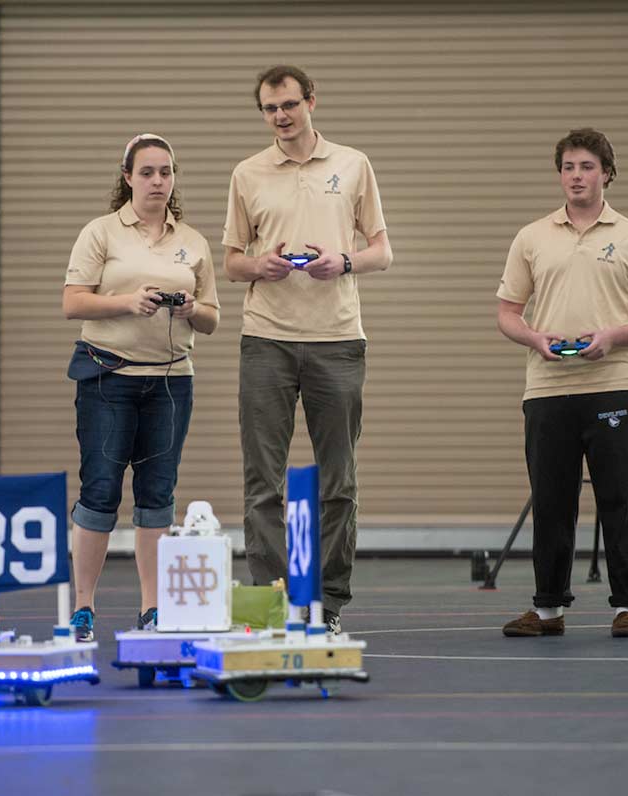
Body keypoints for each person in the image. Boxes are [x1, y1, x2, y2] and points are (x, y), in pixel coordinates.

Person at [222, 65, 393, 634]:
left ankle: (328, 605)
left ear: (312, 101)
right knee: (262, 481)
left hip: (338, 341)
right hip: (266, 338)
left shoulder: (353, 165)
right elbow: (231, 263)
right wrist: (259, 265)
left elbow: (382, 252)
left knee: (337, 481)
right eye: (270, 109)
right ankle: (274, 605)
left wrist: (342, 262)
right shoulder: (247, 174)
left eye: (290, 105)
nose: (281, 116)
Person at [495, 128, 628, 639]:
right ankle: (547, 610)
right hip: (547, 389)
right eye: (569, 167)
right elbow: (507, 314)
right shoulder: (531, 238)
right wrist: (534, 338)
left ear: (607, 173)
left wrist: (614, 336)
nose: (577, 176)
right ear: (560, 175)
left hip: (614, 383)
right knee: (552, 500)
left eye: (587, 167)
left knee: (620, 498)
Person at [62, 133, 220, 642]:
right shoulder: (101, 233)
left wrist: (192, 309)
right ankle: (83, 607)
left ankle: (154, 608)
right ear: (127, 176)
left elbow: (214, 318)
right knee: (102, 490)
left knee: (156, 497)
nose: (157, 181)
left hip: (172, 381)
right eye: (147, 172)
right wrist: (129, 302)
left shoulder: (192, 242)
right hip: (109, 376)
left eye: (166, 172)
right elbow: (73, 303)